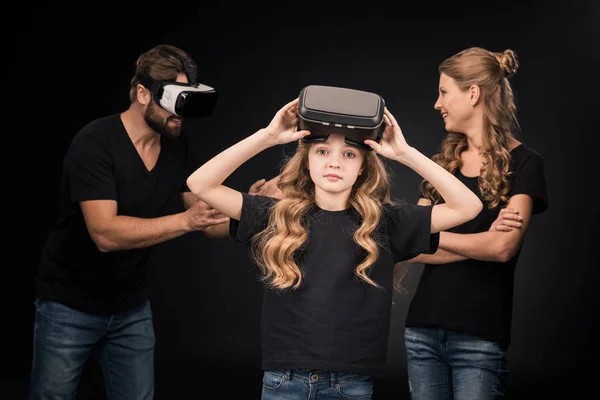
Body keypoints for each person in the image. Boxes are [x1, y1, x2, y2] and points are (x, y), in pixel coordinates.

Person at [186, 97, 483, 399]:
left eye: (349, 154)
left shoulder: (386, 222)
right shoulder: (274, 214)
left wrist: (406, 154)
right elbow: (200, 183)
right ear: (307, 161)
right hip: (283, 381)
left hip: (350, 385)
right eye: (323, 151)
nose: (334, 162)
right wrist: (267, 137)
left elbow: (468, 206)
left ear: (363, 167)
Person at [28, 44, 231, 400]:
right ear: (142, 93)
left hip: (130, 308)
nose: (180, 114)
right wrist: (186, 221)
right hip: (67, 306)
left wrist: (254, 204)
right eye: (174, 99)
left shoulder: (176, 147)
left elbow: (209, 222)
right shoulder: (94, 144)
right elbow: (105, 234)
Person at [396, 47, 549, 400]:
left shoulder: (526, 163)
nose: (438, 103)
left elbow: (503, 248)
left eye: (444, 92)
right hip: (422, 331)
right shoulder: (443, 165)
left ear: (473, 93)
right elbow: (409, 247)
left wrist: (434, 234)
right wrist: (481, 240)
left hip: (479, 336)